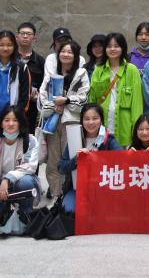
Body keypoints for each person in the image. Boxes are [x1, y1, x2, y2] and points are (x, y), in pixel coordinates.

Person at [38, 37, 90, 198]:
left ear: (76, 56)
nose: (66, 54)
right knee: (53, 161)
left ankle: (71, 195)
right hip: (52, 123)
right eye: (63, 51)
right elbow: (42, 97)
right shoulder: (51, 75)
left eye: (70, 52)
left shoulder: (81, 74)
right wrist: (54, 106)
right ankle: (56, 194)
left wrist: (66, 101)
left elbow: (84, 99)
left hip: (72, 123)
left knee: (72, 159)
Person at [0, 106, 40, 230]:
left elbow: (29, 167)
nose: (11, 124)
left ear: (20, 123)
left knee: (25, 182)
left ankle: (25, 212)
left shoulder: (30, 141)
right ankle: (5, 208)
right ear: (1, 123)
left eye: (15, 120)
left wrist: (7, 179)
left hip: (22, 185)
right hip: (0, 189)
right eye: (6, 120)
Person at [57, 103, 121, 213]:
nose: (91, 122)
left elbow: (122, 160)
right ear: (81, 121)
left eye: (95, 118)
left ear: (101, 120)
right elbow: (61, 167)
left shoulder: (109, 140)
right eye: (86, 119)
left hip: (102, 189)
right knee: (68, 210)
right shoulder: (74, 138)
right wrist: (76, 160)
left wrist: (98, 159)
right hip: (77, 188)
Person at [87, 32, 144, 148]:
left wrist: (137, 130)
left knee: (122, 158)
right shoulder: (98, 70)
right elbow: (92, 100)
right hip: (102, 127)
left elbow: (137, 104)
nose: (112, 49)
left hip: (124, 127)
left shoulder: (131, 70)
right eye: (109, 46)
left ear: (123, 48)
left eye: (116, 46)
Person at [15, 22, 46, 133]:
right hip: (9, 106)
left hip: (30, 109)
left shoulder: (40, 61)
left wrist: (38, 95)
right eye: (22, 33)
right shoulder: (9, 58)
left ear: (34, 38)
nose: (25, 36)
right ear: (17, 36)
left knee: (26, 138)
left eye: (28, 34)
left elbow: (44, 85)